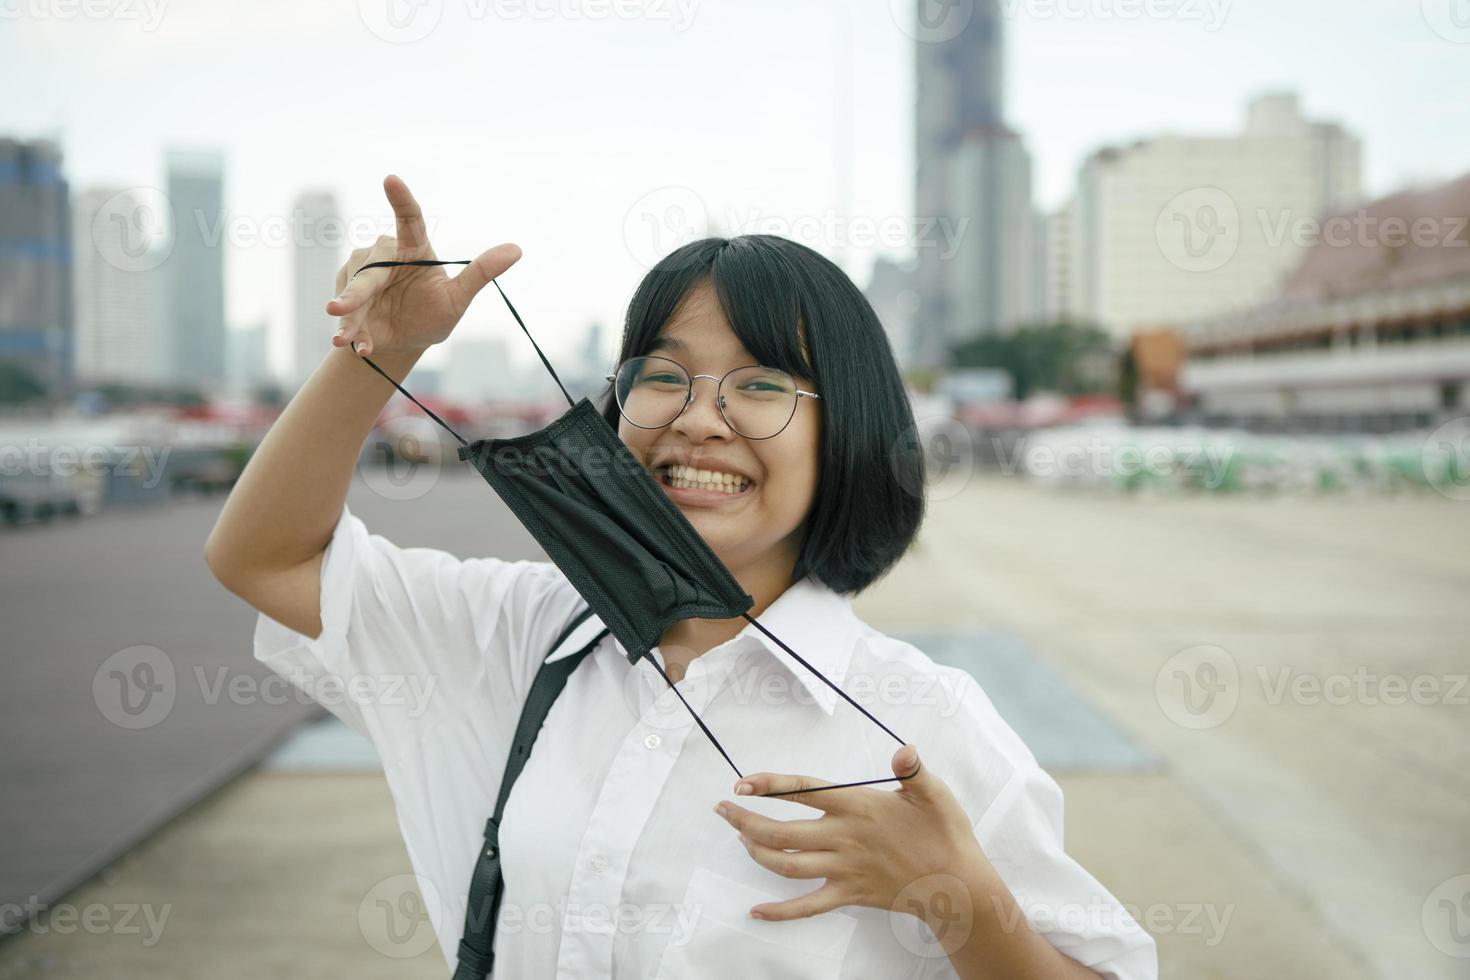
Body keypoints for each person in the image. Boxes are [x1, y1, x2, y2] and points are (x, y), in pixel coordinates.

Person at [204, 175, 1158, 980]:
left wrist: (960, 899)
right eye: (663, 375)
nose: (700, 419)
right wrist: (385, 351)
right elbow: (266, 557)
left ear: (848, 434)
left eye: (762, 385)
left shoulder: (923, 723)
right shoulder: (524, 635)